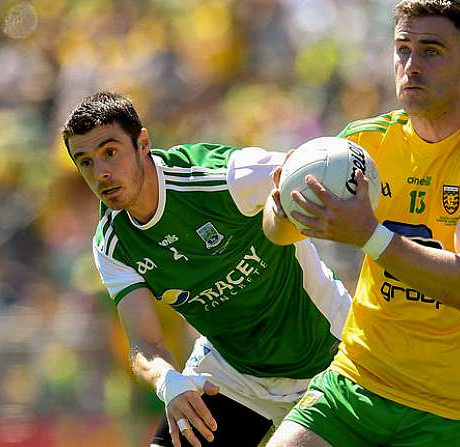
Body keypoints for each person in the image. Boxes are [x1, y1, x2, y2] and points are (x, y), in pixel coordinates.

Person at [264, 1, 460, 446]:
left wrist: (368, 235)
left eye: (431, 51)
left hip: (455, 411)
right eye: (403, 49)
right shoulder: (362, 144)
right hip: (358, 380)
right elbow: (279, 233)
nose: (411, 66)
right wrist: (281, 205)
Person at [62, 91, 352, 447]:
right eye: (86, 162)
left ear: (143, 144)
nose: (101, 173)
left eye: (110, 152)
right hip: (232, 374)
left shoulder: (223, 178)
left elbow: (306, 168)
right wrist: (168, 381)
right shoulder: (112, 244)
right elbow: (144, 343)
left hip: (331, 359)